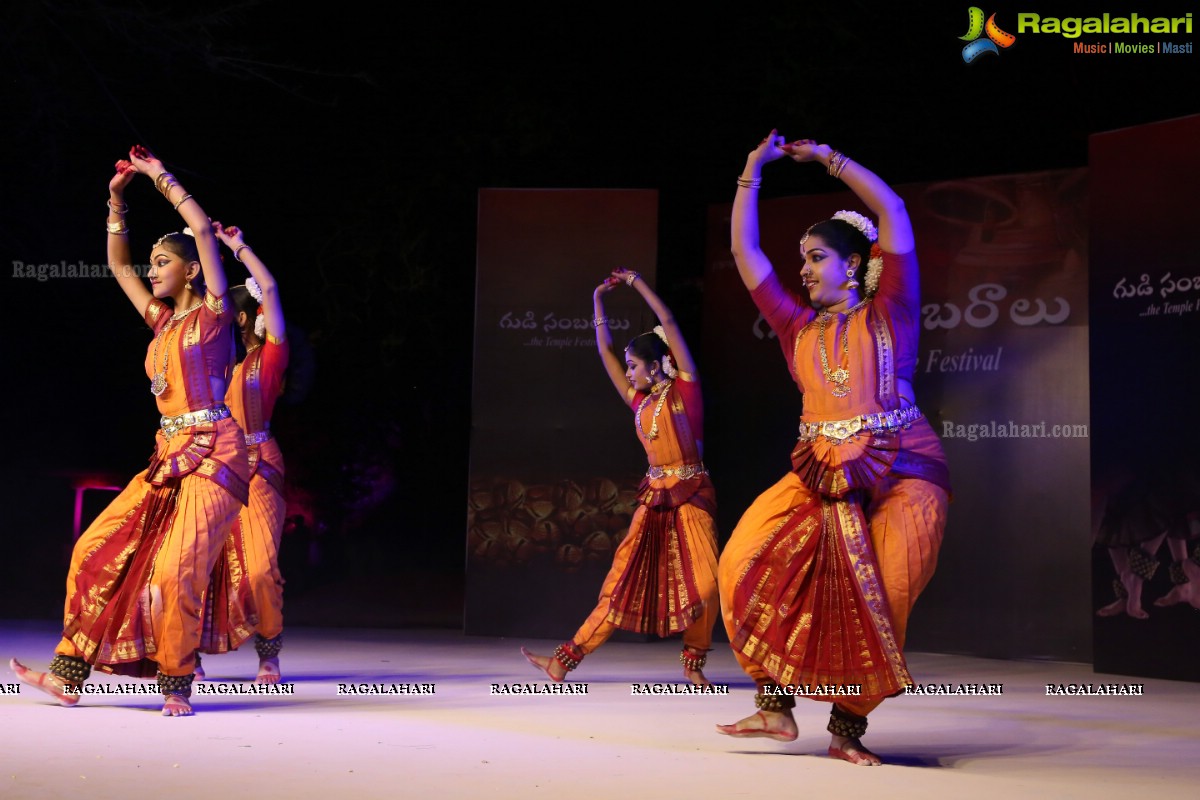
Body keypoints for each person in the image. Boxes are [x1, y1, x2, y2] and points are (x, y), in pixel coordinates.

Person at [714, 132, 951, 765]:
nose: (805, 269)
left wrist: (829, 160)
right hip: (817, 471)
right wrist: (751, 170)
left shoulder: (892, 308)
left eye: (817, 257)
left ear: (853, 264)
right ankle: (774, 708)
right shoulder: (796, 326)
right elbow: (744, 250)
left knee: (890, 592)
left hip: (905, 468)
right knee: (740, 563)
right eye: (803, 261)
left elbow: (893, 211)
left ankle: (846, 730)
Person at [9, 146, 249, 716]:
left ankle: (175, 683)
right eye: (153, 260)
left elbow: (201, 231)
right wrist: (116, 201)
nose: (152, 269)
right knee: (95, 548)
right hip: (168, 453)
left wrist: (158, 175)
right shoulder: (162, 321)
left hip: (216, 454)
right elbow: (117, 266)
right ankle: (69, 675)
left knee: (175, 571)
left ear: (191, 270)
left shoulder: (214, 314)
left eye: (162, 261)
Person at [521, 268, 720, 685]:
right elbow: (605, 352)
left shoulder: (686, 390)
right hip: (654, 500)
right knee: (621, 582)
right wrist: (597, 300)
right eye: (627, 367)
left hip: (691, 495)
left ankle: (693, 662)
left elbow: (667, 321)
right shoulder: (639, 403)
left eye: (634, 366)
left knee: (705, 584)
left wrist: (636, 283)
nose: (628, 373)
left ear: (657, 364)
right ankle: (564, 659)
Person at [195, 223, 290, 682]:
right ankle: (183, 651)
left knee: (260, 566)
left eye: (229, 309)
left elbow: (269, 288)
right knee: (193, 560)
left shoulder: (268, 360)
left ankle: (268, 651)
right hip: (211, 464)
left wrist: (236, 247)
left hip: (258, 466)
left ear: (243, 316)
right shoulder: (216, 365)